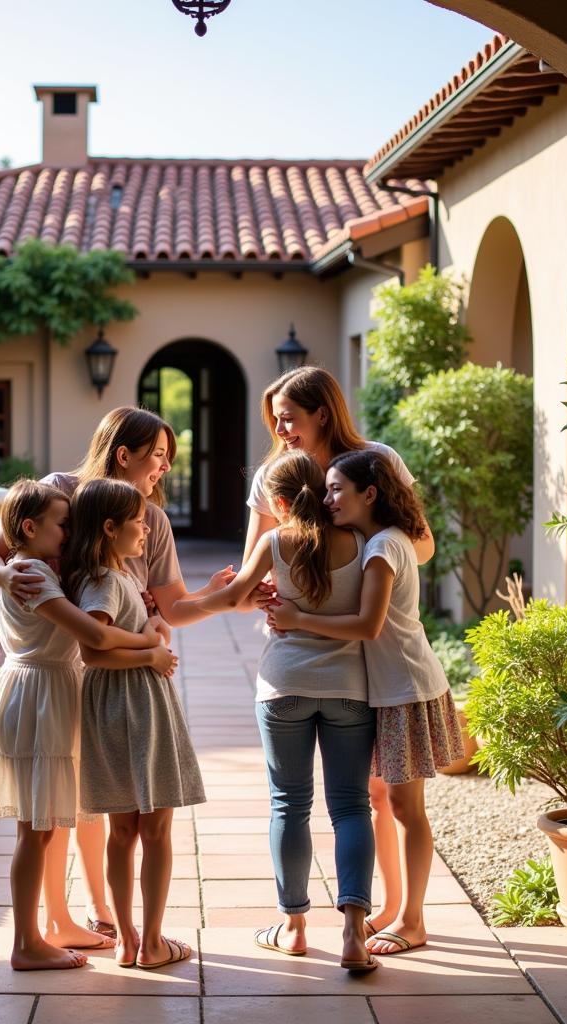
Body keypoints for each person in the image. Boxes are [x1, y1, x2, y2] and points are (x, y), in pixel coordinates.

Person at [0, 406, 231, 941]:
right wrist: (13, 575)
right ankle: (53, 922)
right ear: (124, 454)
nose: (163, 468)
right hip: (52, 661)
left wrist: (225, 599)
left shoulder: (152, 520)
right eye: (158, 456)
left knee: (82, 798)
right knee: (49, 807)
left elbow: (172, 605)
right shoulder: (57, 495)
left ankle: (100, 913)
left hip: (88, 666)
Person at [266, 450, 466, 957]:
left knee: (405, 808)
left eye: (337, 490)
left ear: (369, 494)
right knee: (384, 805)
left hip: (404, 688)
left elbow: (366, 625)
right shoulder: (381, 541)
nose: (328, 499)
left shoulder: (379, 547)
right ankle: (397, 915)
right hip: (389, 687)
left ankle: (413, 920)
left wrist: (296, 619)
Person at [0, 480, 173, 970]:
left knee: (39, 828)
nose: (69, 533)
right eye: (62, 525)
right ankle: (26, 941)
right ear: (28, 527)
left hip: (42, 689)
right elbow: (92, 633)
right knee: (34, 830)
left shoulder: (32, 567)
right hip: (40, 694)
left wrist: (145, 625)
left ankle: (41, 932)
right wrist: (150, 649)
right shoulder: (31, 574)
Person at [192, 450, 378, 972]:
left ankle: (294, 927)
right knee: (350, 808)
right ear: (321, 490)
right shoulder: (361, 543)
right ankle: (353, 934)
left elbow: (233, 597)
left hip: (283, 687)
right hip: (349, 689)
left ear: (276, 502)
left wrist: (177, 604)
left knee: (289, 805)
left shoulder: (275, 542)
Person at [65, 477, 204, 970]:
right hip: (135, 704)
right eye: (138, 521)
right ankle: (150, 942)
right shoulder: (102, 580)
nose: (147, 527)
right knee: (156, 829)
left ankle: (127, 938)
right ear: (109, 528)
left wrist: (149, 632)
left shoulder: (114, 575)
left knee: (122, 830)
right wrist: (151, 654)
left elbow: (114, 633)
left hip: (114, 707)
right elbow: (94, 645)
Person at [242, 366, 434, 565]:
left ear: (323, 415)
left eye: (288, 419)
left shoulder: (380, 458)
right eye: (276, 420)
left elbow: (423, 549)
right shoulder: (271, 476)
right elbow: (251, 568)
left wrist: (372, 540)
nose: (279, 430)